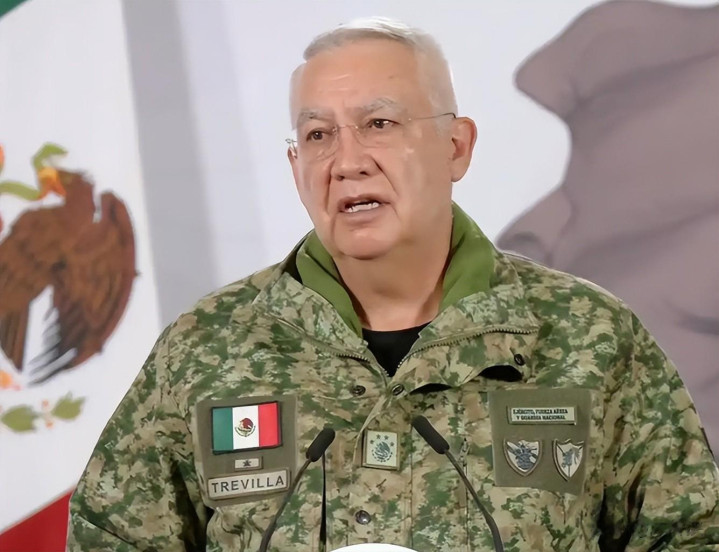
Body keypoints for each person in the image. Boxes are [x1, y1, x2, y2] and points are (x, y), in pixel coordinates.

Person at [67, 17, 719, 552]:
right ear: (295, 167)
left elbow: (692, 535)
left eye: (379, 124)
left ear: (456, 147)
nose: (346, 162)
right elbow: (110, 540)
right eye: (317, 135)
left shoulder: (588, 335)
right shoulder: (206, 347)